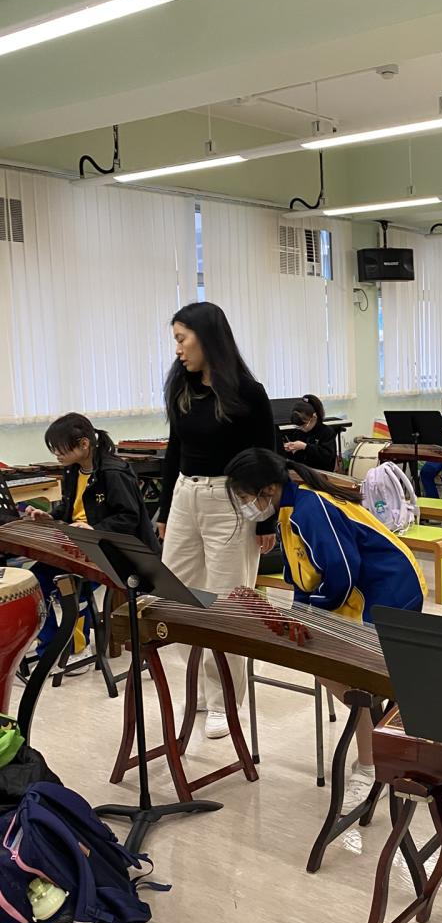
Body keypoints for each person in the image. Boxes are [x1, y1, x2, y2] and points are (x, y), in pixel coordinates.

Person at [224, 448, 425, 816]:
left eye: (245, 496)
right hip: (364, 591)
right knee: (321, 663)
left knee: (348, 675)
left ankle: (374, 762)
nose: (245, 506)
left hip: (389, 591)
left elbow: (341, 574)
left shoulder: (309, 508)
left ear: (268, 489)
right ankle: (380, 735)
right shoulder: (289, 510)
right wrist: (299, 615)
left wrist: (311, 617)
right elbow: (303, 578)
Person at [156, 302, 277, 739]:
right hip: (186, 495)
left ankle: (224, 700)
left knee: (227, 601)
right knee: (175, 593)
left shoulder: (248, 392)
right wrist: (165, 510)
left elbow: (267, 457)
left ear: (207, 338)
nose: (177, 349)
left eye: (181, 339)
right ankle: (197, 684)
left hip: (232, 497)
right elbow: (174, 450)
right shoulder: (182, 387)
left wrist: (266, 520)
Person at [24, 413, 159, 660]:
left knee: (70, 586)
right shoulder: (73, 471)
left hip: (112, 552)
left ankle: (79, 647)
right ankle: (52, 649)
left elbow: (129, 518)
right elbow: (70, 508)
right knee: (32, 582)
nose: (56, 454)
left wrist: (95, 530)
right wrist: (50, 516)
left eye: (59, 448)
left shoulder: (113, 472)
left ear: (84, 444)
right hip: (79, 546)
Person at [282, 395, 338, 473]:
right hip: (303, 473)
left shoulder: (327, 432)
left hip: (322, 474)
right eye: (298, 426)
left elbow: (327, 457)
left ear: (314, 417)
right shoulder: (298, 432)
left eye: (304, 425)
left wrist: (305, 447)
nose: (301, 428)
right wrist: (289, 450)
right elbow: (295, 460)